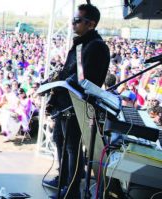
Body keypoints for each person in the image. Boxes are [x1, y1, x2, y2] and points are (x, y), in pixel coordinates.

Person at [43, 4, 110, 199]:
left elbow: (87, 79)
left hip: (77, 106)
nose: (73, 23)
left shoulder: (96, 46)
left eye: (77, 20)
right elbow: (71, 72)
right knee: (60, 141)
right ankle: (63, 180)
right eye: (74, 19)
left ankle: (72, 192)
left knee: (73, 148)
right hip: (64, 104)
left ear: (91, 24)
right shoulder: (81, 43)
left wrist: (62, 81)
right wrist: (53, 82)